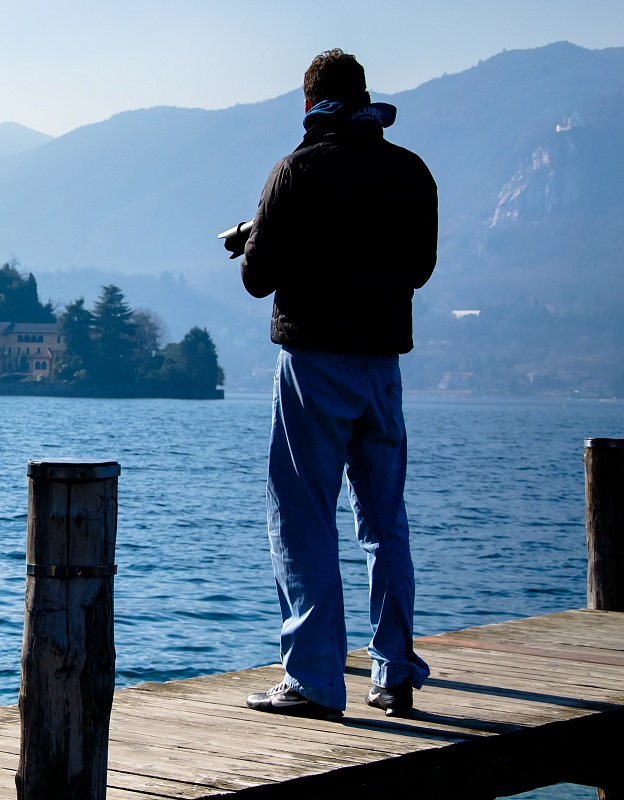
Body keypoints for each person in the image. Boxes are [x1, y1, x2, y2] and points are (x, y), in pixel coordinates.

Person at [231, 49, 437, 719]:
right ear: (365, 96)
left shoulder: (294, 171)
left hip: (314, 365)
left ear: (308, 103)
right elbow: (420, 268)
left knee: (304, 518)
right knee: (385, 524)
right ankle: (395, 672)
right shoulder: (410, 172)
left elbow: (258, 277)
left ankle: (315, 680)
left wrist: (262, 234)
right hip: (382, 369)